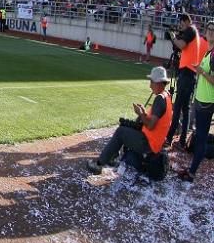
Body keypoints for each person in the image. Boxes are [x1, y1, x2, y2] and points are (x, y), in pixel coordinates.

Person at [86, 66, 171, 175]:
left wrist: (140, 113)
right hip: (154, 141)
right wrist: (144, 113)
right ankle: (111, 157)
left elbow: (150, 126)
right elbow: (156, 120)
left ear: (158, 82)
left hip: (149, 143)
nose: (150, 85)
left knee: (121, 132)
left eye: (152, 82)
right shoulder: (166, 96)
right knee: (126, 127)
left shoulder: (159, 99)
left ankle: (99, 164)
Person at [179, 22, 214, 182]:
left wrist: (201, 71)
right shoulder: (209, 52)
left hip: (206, 102)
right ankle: (192, 169)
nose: (211, 32)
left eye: (213, 30)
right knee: (200, 137)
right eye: (209, 29)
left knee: (200, 138)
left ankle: (192, 173)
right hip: (201, 100)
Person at [166, 13, 203, 150]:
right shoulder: (193, 32)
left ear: (187, 21)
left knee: (178, 108)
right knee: (185, 110)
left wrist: (173, 36)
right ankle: (181, 141)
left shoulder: (191, 30)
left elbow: (181, 45)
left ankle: (169, 138)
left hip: (187, 74)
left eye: (182, 23)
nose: (180, 25)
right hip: (189, 74)